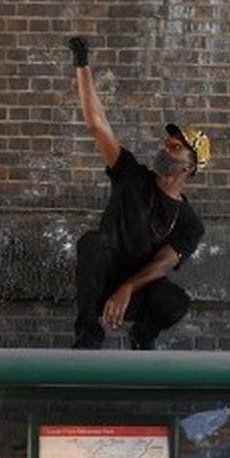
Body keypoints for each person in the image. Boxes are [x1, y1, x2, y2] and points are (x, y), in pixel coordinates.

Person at [67, 36, 208, 350]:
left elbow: (163, 263)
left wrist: (128, 287)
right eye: (166, 144)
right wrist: (82, 65)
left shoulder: (189, 223)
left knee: (176, 302)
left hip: (135, 290)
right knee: (93, 241)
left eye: (175, 149)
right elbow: (98, 125)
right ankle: (88, 334)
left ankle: (143, 337)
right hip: (101, 282)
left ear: (189, 167)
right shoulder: (131, 177)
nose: (165, 150)